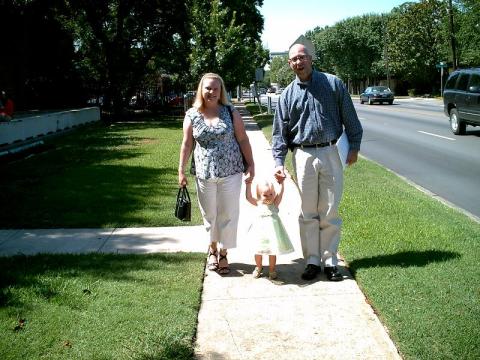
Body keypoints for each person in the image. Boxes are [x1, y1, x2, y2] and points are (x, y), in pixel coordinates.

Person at [271, 43, 363, 281]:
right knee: (308, 210)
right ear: (289, 64)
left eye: (302, 57)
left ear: (311, 59)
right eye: (294, 60)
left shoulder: (333, 84)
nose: (298, 62)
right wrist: (278, 161)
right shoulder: (287, 95)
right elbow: (280, 132)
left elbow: (350, 118)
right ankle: (312, 259)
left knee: (330, 209)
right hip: (302, 155)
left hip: (332, 151)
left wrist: (354, 146)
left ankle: (330, 260)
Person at [178, 73, 254, 275]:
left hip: (231, 172)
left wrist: (251, 165)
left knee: (229, 214)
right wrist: (181, 170)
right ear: (201, 90)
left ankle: (224, 252)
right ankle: (212, 249)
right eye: (208, 88)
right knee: (210, 214)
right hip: (204, 173)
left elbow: (243, 139)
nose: (211, 92)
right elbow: (187, 144)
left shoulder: (230, 112)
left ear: (221, 91)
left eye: (216, 88)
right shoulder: (192, 115)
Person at [245, 178, 294, 280]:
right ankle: (258, 267)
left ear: (273, 193)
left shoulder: (274, 204)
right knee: (258, 252)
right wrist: (248, 184)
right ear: (259, 195)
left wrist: (281, 184)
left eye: (271, 194)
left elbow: (280, 194)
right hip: (260, 234)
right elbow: (248, 197)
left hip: (273, 235)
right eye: (265, 195)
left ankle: (272, 269)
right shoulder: (258, 203)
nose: (268, 197)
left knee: (272, 252)